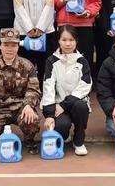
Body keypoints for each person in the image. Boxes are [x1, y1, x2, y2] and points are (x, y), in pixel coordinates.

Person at [0, 28, 41, 154]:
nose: (9, 49)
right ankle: (0, 136)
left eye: (13, 45)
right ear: (0, 45)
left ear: (18, 46)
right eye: (6, 45)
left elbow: (34, 89)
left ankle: (29, 139)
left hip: (20, 109)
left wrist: (28, 105)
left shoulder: (27, 65)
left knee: (32, 121)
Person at [41, 26, 92, 156]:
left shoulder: (82, 61)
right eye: (64, 40)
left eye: (71, 40)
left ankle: (79, 140)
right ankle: (64, 133)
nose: (68, 43)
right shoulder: (51, 61)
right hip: (58, 106)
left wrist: (65, 104)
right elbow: (48, 87)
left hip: (75, 104)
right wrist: (49, 115)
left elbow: (85, 85)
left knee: (81, 106)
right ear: (58, 41)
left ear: (76, 41)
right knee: (61, 127)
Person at [13, 0, 56, 86]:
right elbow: (18, 7)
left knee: (45, 64)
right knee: (25, 65)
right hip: (24, 32)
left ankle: (45, 92)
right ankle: (26, 91)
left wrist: (40, 28)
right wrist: (29, 28)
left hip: (45, 31)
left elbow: (50, 6)